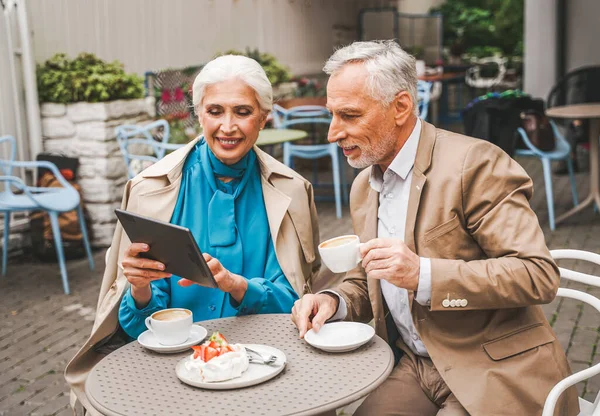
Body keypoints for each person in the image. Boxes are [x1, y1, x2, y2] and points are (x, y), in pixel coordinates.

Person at [291, 41, 578, 416]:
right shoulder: (364, 184)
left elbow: (537, 275)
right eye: (332, 115)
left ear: (400, 108)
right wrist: (334, 301)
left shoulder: (475, 164)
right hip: (416, 364)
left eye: (349, 115)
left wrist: (422, 274)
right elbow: (368, 276)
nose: (333, 132)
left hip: (494, 366)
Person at [65, 55, 321, 412]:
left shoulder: (293, 192)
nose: (227, 126)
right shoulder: (149, 190)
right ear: (198, 114)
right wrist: (138, 288)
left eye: (243, 112)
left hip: (267, 369)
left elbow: (297, 304)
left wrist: (238, 286)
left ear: (264, 117)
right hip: (171, 376)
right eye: (215, 111)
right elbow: (139, 326)